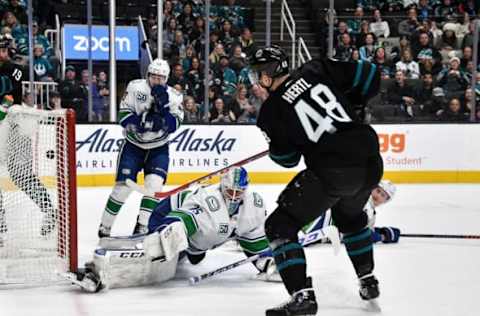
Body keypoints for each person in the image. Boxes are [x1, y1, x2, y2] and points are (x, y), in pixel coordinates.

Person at [249, 45, 382, 315]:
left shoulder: (271, 111)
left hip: (334, 170)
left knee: (279, 225)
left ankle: (301, 296)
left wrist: (278, 146)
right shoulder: (316, 68)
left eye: (258, 73)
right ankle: (367, 280)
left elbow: (288, 159)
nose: (256, 79)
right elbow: (370, 75)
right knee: (349, 217)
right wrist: (354, 104)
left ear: (269, 74)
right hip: (370, 160)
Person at [68, 167, 279, 292]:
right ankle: (100, 273)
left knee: (189, 256)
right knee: (158, 259)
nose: (234, 197)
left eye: (239, 192)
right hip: (166, 214)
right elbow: (179, 222)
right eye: (230, 191)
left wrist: (268, 263)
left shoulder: (254, 206)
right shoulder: (208, 200)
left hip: (199, 242)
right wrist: (163, 242)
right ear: (222, 187)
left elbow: (255, 246)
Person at [97, 58, 184, 238]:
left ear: (166, 79)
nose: (156, 81)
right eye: (153, 77)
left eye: (160, 78)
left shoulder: (174, 96)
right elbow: (123, 114)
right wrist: (139, 123)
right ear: (148, 75)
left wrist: (163, 112)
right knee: (122, 188)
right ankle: (105, 226)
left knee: (154, 186)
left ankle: (142, 226)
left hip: (158, 148)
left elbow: (175, 123)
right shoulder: (136, 88)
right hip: (133, 146)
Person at [0, 34, 57, 245]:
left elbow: (8, 93)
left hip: (15, 125)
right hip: (7, 126)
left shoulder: (13, 68)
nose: (2, 53)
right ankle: (1, 227)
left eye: (4, 49)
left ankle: (50, 210)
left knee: (20, 174)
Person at [299, 180, 400, 246]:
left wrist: (382, 232)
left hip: (327, 234)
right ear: (373, 188)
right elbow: (361, 235)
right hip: (326, 227)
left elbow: (363, 231)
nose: (378, 196)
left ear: (385, 201)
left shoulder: (370, 212)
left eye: (383, 196)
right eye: (378, 191)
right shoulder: (362, 201)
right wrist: (382, 236)